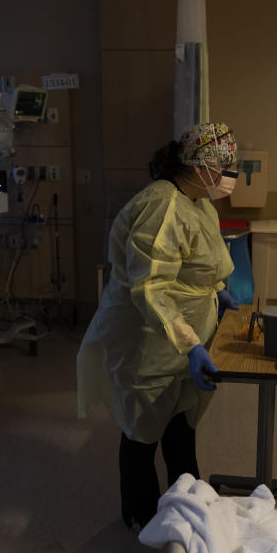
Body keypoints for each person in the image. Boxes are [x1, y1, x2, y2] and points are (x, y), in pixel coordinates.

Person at [76, 122, 241, 532]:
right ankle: (142, 518)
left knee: (181, 423)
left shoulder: (198, 201)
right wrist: (190, 344)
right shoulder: (161, 207)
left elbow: (199, 261)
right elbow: (149, 286)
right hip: (149, 340)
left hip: (182, 339)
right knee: (143, 429)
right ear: (202, 166)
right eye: (226, 167)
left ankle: (188, 502)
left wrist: (218, 291)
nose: (231, 176)